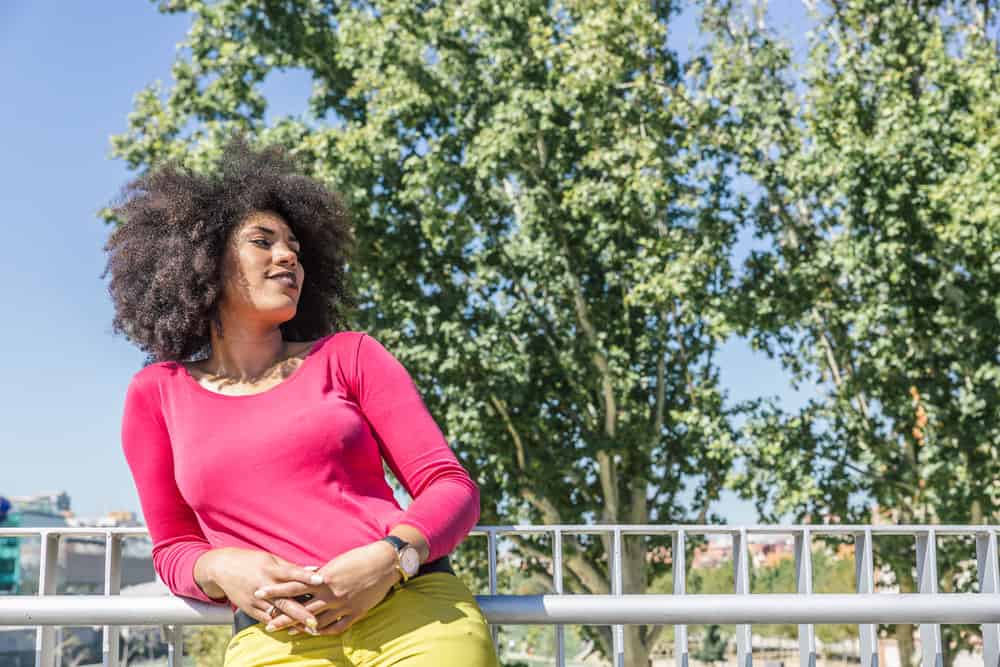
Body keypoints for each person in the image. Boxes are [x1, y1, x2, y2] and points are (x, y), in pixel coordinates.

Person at [102, 131, 500, 666]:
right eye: (263, 242)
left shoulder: (350, 356)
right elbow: (174, 547)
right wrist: (221, 568)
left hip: (413, 613)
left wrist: (389, 560)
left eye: (294, 245)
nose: (288, 255)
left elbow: (450, 487)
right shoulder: (156, 395)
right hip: (276, 637)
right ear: (199, 261)